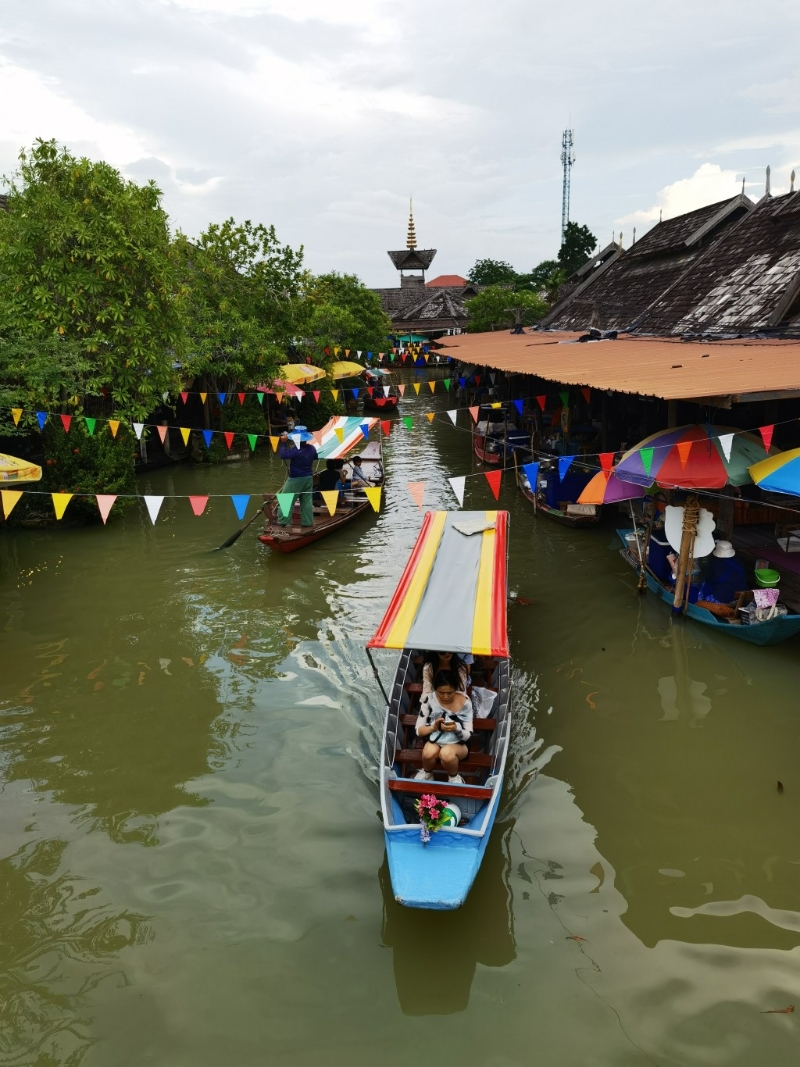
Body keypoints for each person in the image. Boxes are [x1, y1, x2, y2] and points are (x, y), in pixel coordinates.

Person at [414, 669, 474, 785]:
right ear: (435, 690)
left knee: (446, 754)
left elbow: (468, 735)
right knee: (428, 753)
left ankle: (453, 776)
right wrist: (433, 727)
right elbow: (418, 730)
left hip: (459, 744)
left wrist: (456, 729)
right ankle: (427, 773)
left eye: (450, 693)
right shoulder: (429, 700)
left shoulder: (465, 703)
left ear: (456, 689)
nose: (445, 697)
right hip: (435, 739)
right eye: (441, 693)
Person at [275, 431, 318, 528]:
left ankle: (283, 522)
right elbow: (315, 457)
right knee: (306, 501)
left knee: (286, 499)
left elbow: (283, 455)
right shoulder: (312, 448)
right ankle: (307, 522)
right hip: (308, 478)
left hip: (295, 479)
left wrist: (283, 443)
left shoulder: (295, 450)